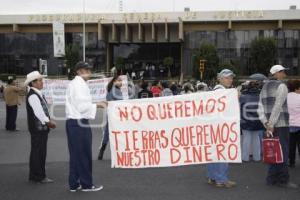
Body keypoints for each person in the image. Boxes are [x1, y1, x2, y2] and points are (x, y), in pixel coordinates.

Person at [65, 61, 106, 192]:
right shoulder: (79, 85)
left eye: (89, 70)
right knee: (84, 154)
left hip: (73, 122)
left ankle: (74, 183)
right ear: (78, 72)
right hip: (79, 123)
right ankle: (86, 184)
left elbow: (80, 105)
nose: (89, 72)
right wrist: (98, 105)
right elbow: (82, 107)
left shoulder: (75, 83)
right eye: (86, 70)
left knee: (76, 155)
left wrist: (96, 104)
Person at [257, 65, 298, 188]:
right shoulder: (282, 86)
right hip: (280, 124)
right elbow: (278, 106)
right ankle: (283, 180)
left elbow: (259, 108)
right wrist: (271, 124)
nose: (285, 74)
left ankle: (271, 179)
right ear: (277, 73)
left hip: (270, 125)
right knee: (283, 152)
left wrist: (266, 123)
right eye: (283, 72)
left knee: (273, 151)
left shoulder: (264, 87)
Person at [24, 71, 56, 184]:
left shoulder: (35, 93)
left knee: (37, 151)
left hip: (38, 129)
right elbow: (39, 112)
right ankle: (39, 176)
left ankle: (35, 175)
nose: (42, 82)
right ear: (33, 83)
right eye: (40, 80)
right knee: (39, 152)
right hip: (38, 129)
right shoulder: (33, 95)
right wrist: (49, 123)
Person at [206, 69, 236, 188]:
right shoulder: (221, 91)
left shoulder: (216, 90)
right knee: (222, 153)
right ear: (220, 79)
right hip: (221, 127)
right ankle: (221, 179)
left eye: (231, 77)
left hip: (215, 126)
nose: (230, 80)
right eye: (227, 78)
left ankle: (212, 177)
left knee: (214, 153)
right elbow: (224, 109)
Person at [240, 73, 266, 162]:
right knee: (256, 139)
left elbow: (239, 108)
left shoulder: (242, 97)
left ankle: (245, 157)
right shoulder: (261, 97)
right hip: (258, 121)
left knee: (246, 139)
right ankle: (257, 157)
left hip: (245, 121)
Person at [98, 75, 124, 160]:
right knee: (118, 133)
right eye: (119, 80)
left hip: (110, 114)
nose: (121, 82)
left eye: (121, 81)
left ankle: (102, 151)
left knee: (107, 133)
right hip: (116, 115)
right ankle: (118, 153)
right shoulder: (116, 91)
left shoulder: (110, 90)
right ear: (114, 82)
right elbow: (120, 103)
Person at [287, 79, 300, 168]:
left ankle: (291, 162)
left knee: (291, 145)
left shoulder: (286, 97)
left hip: (289, 124)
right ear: (297, 88)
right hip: (299, 124)